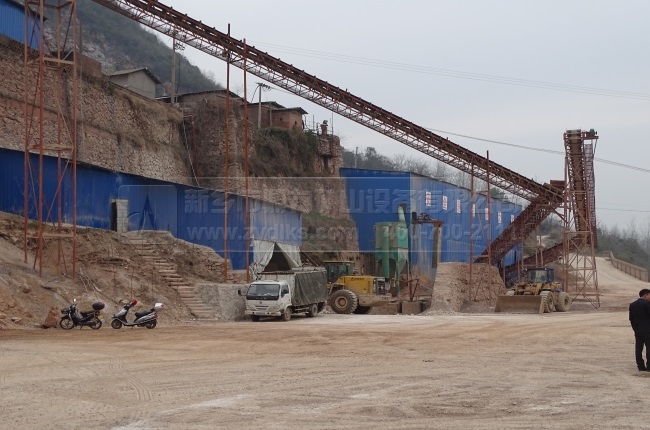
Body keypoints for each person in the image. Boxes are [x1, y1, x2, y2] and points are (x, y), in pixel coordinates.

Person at [629, 288, 650, 371]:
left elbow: (631, 319)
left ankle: (640, 366)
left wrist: (635, 328)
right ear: (646, 295)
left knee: (638, 349)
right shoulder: (647, 304)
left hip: (638, 330)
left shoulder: (632, 305)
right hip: (648, 330)